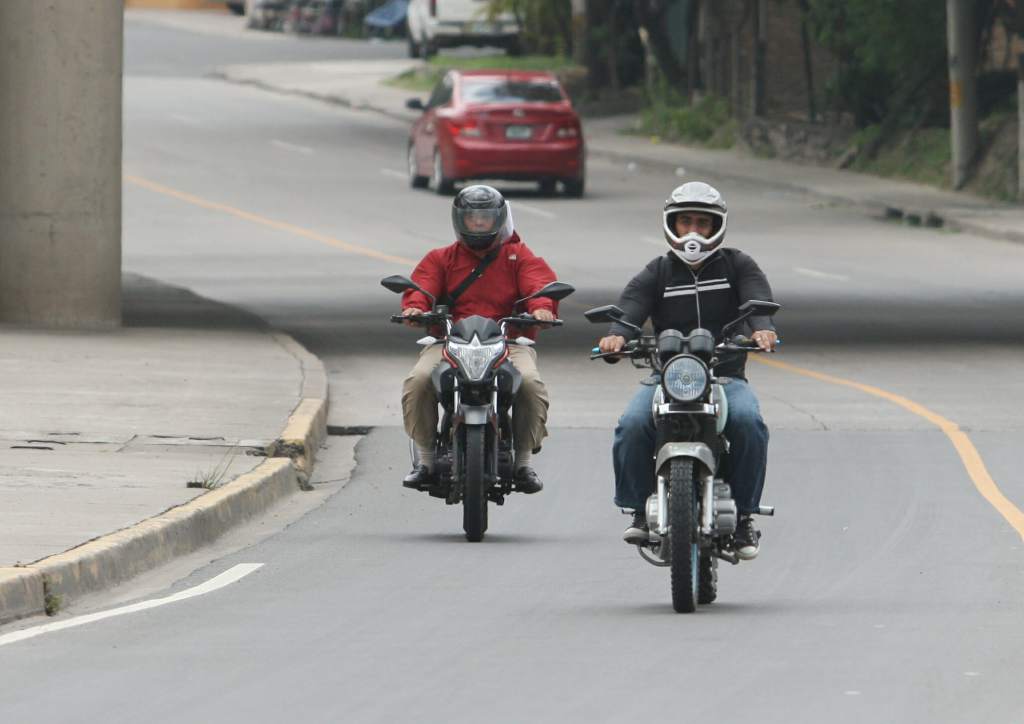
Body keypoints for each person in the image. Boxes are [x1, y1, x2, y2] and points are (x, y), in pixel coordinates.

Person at [596, 181, 778, 559]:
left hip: (725, 376)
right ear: (671, 225)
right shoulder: (658, 271)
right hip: (668, 376)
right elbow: (631, 307)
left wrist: (763, 328)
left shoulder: (737, 264)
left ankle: (743, 515)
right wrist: (616, 335)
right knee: (631, 424)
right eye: (685, 222)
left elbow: (757, 300)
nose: (693, 231)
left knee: (749, 423)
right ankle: (639, 510)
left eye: (702, 223)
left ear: (717, 227)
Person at [399, 184, 559, 494]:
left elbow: (539, 284)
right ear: (460, 220)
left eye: (485, 218)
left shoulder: (518, 255)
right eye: (472, 218)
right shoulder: (441, 258)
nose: (479, 224)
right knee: (418, 381)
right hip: (450, 343)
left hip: (507, 343)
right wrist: (415, 308)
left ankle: (524, 462)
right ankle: (426, 460)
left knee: (529, 384)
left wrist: (541, 309)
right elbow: (422, 286)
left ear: (499, 219)